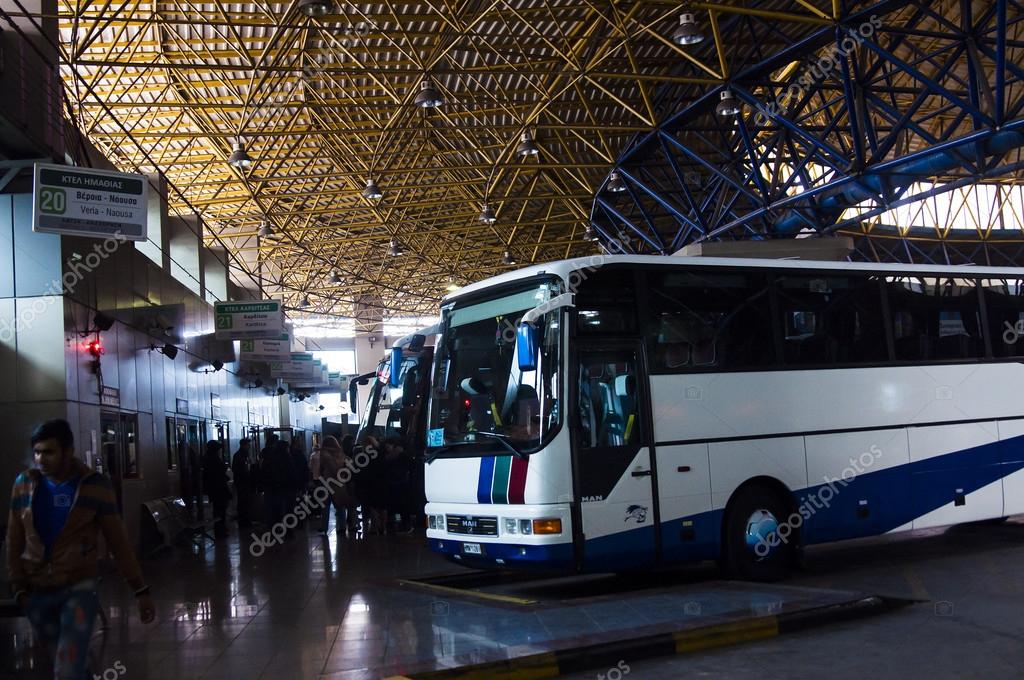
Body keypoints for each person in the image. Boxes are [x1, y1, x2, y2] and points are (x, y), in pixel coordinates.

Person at [6, 419, 156, 680]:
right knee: (69, 663)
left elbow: (117, 540)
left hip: (78, 588)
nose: (41, 459)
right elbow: (14, 537)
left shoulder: (95, 486)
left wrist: (139, 588)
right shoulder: (24, 485)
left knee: (66, 669)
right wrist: (17, 585)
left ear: (68, 451)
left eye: (49, 452)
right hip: (36, 591)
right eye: (37, 452)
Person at [317, 436, 353, 536]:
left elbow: (321, 467)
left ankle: (324, 527)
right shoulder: (340, 453)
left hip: (327, 482)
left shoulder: (323, 453)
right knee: (340, 505)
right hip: (339, 482)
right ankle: (342, 527)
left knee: (325, 506)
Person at [202, 440, 231, 537]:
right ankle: (220, 529)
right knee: (220, 509)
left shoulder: (207, 458)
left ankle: (220, 529)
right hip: (218, 488)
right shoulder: (213, 458)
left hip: (214, 488)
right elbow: (218, 472)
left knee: (218, 509)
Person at [231, 438, 254, 527]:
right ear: (243, 445)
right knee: (243, 502)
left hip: (243, 482)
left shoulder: (242, 455)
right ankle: (244, 521)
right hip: (242, 482)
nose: (249, 446)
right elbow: (237, 469)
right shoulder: (239, 456)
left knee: (245, 502)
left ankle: (245, 520)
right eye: (248, 445)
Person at [289, 437, 310, 525]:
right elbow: (304, 468)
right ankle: (300, 518)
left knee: (294, 501)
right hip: (300, 481)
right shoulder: (299, 454)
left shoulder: (289, 453)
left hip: (292, 482)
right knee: (301, 500)